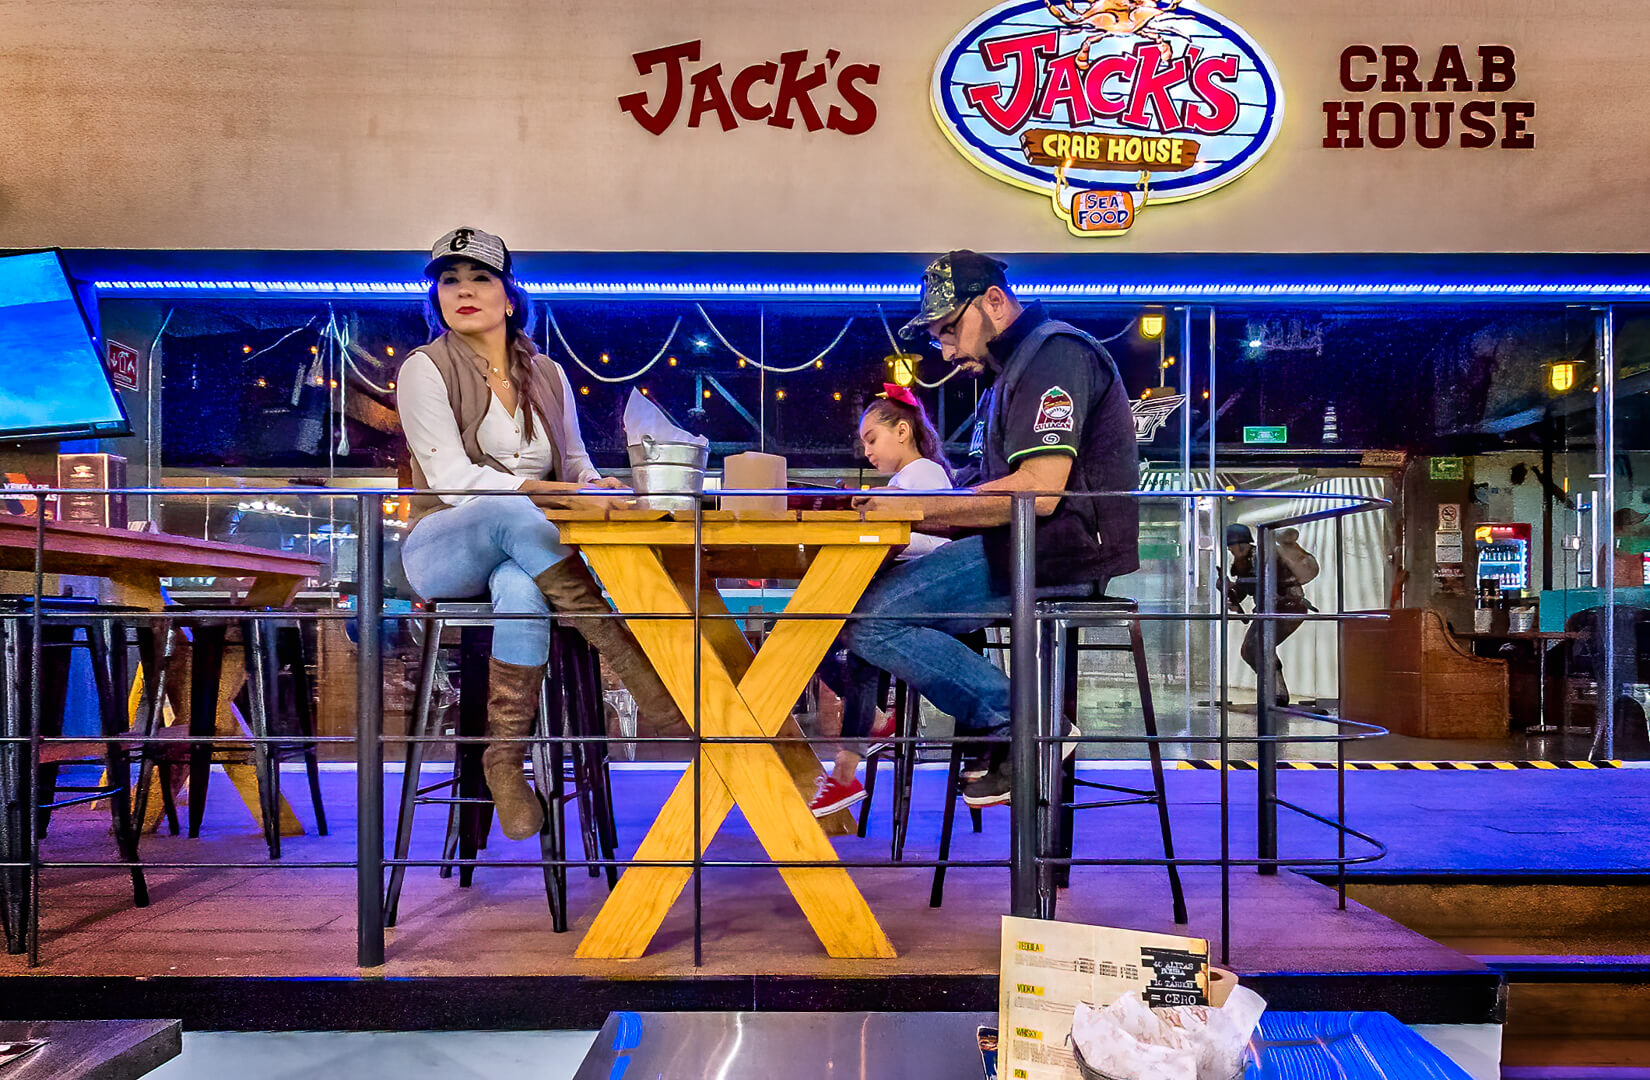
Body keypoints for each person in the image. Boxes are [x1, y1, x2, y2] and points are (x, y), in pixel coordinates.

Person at [397, 226, 687, 841]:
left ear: (509, 297)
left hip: (526, 552)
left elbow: (574, 463)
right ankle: (631, 662)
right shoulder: (424, 368)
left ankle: (503, 759)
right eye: (449, 281)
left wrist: (594, 482)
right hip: (443, 544)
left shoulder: (549, 374)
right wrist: (541, 493)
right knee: (511, 515)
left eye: (480, 278)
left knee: (520, 586)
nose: (464, 291)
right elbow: (450, 479)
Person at [844, 251, 1140, 808]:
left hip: (1062, 554)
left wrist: (914, 511)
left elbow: (1040, 489)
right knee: (863, 611)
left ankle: (1019, 723)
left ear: (995, 303)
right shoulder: (1009, 377)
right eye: (938, 339)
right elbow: (986, 491)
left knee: (868, 619)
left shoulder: (1055, 355)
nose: (948, 351)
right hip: (1023, 549)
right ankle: (1002, 726)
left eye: (950, 330)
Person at [810, 385, 953, 816]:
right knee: (819, 630)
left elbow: (931, 542)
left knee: (835, 627)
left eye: (872, 438)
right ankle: (862, 737)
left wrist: (875, 513)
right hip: (915, 592)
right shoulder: (906, 479)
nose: (867, 450)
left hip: (933, 597)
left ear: (903, 430)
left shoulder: (924, 473)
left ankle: (848, 765)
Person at [1223, 523, 1313, 707]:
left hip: (1287, 607)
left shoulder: (1265, 557)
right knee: (1250, 650)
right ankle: (1274, 690)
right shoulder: (1244, 562)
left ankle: (1276, 693)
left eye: (1234, 547)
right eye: (1230, 549)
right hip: (1267, 611)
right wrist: (1230, 593)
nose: (1232, 551)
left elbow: (1281, 580)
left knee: (1257, 647)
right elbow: (1244, 587)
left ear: (1242, 544)